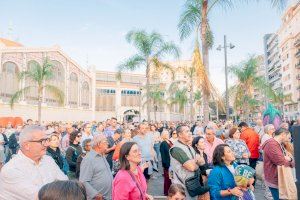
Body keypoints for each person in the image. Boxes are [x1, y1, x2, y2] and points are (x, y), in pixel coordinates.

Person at [0, 125, 67, 199]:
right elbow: (42, 197)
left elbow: (65, 183)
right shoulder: (11, 170)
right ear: (27, 145)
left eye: (47, 140)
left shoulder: (48, 160)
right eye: (42, 141)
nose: (47, 144)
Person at [170, 125, 209, 200]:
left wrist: (194, 163)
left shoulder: (190, 147)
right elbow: (191, 167)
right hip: (182, 188)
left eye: (190, 131)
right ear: (180, 134)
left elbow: (202, 162)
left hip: (193, 186)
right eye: (187, 131)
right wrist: (196, 162)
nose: (190, 133)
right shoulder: (176, 149)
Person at [262, 128, 295, 200]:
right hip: (275, 178)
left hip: (279, 178)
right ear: (283, 135)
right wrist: (290, 160)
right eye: (288, 137)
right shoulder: (271, 144)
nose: (289, 139)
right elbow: (280, 161)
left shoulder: (278, 144)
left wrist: (290, 159)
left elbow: (287, 159)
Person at [79, 134, 113, 200]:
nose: (108, 143)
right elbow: (83, 181)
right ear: (99, 144)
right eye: (105, 142)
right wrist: (95, 195)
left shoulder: (102, 155)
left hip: (108, 197)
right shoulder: (89, 159)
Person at [160, 130, 173, 195]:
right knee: (168, 179)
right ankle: (167, 192)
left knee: (172, 178)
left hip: (172, 163)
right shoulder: (163, 143)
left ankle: (171, 191)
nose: (166, 135)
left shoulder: (170, 141)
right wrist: (166, 165)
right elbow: (163, 156)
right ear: (163, 135)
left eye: (167, 133)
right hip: (167, 164)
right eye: (165, 134)